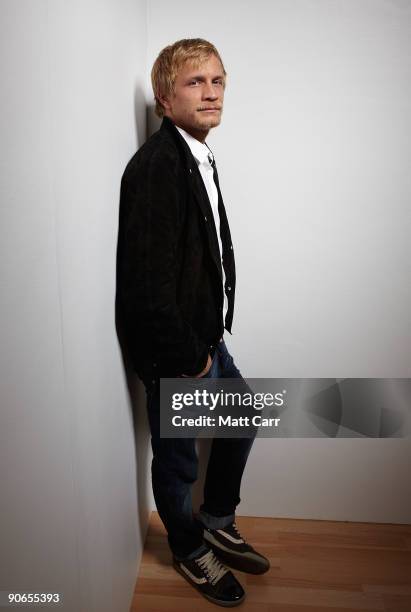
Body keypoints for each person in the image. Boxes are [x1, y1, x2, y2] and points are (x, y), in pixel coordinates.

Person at [116, 38, 270, 607]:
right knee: (178, 462)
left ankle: (216, 518)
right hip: (179, 351)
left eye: (218, 81)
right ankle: (187, 548)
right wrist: (193, 358)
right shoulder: (157, 166)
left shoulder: (196, 154)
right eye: (195, 82)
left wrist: (211, 342)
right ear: (163, 96)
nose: (211, 93)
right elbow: (147, 285)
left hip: (205, 339)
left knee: (243, 418)